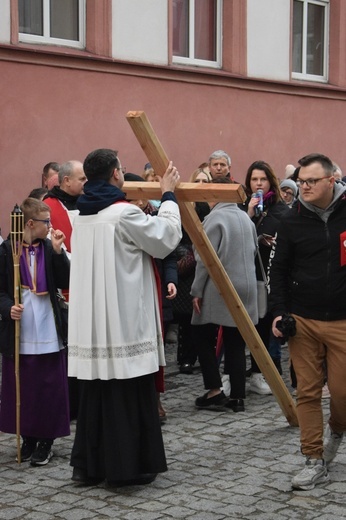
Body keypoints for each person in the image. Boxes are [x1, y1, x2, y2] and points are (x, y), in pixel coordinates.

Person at [68, 148, 181, 486]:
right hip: (124, 322)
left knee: (97, 396)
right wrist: (169, 195)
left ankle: (89, 466)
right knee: (127, 393)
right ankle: (127, 467)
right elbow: (166, 239)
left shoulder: (81, 216)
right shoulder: (122, 215)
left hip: (93, 326)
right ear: (116, 174)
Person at [269, 153, 346, 491]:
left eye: (312, 181)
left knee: (342, 395)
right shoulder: (291, 219)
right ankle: (313, 460)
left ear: (332, 180)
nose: (304, 187)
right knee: (308, 393)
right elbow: (278, 271)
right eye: (301, 182)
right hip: (303, 319)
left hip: (343, 321)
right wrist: (279, 313)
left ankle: (338, 429)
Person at [0, 198, 70, 465]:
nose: (50, 226)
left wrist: (57, 251)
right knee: (23, 385)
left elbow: (65, 281)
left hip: (47, 325)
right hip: (20, 328)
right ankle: (27, 436)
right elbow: (0, 290)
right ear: (30, 223)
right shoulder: (7, 250)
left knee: (48, 385)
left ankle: (46, 439)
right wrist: (8, 309)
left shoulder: (48, 248)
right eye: (46, 222)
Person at [191, 178, 258, 412]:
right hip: (246, 286)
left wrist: (196, 290)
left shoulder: (215, 218)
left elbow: (204, 259)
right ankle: (238, 397)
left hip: (220, 287)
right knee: (235, 341)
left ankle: (214, 390)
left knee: (200, 333)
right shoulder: (244, 217)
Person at [124, 172, 178, 423]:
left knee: (156, 347)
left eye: (138, 199)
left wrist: (170, 279)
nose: (135, 204)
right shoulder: (123, 218)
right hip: (130, 292)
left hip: (155, 289)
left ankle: (155, 399)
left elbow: (168, 254)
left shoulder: (155, 219)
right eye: (130, 199)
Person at [242, 160, 290, 394]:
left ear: (271, 180)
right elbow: (238, 238)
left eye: (262, 179)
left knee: (269, 324)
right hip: (246, 274)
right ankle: (248, 372)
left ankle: (269, 371)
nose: (258, 184)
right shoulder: (243, 208)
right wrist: (249, 214)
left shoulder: (281, 210)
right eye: (254, 179)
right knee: (250, 326)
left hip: (270, 276)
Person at [44, 160, 86, 420]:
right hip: (65, 291)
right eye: (81, 179)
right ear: (66, 180)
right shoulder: (48, 207)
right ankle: (69, 403)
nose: (85, 183)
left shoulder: (87, 204)